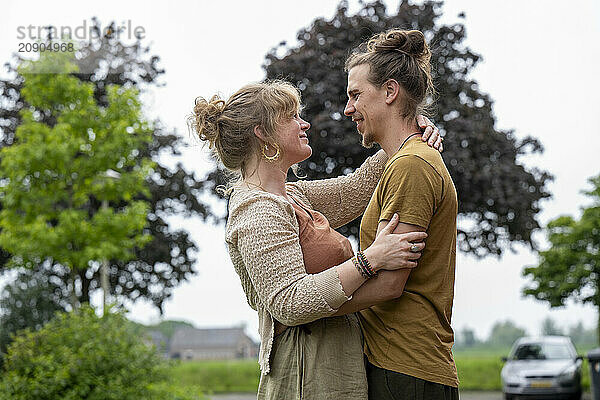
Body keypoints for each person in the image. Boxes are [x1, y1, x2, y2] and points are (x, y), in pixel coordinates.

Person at [188, 81, 442, 399]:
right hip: (305, 372)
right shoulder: (257, 211)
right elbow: (289, 303)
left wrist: (407, 132)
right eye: (291, 116)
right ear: (262, 133)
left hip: (330, 361)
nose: (304, 123)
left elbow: (357, 187)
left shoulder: (291, 195)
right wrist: (370, 259)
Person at [343, 29, 459, 399]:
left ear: (390, 92)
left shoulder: (411, 165)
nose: (348, 109)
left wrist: (308, 307)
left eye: (355, 94)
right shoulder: (404, 161)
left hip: (404, 368)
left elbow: (392, 283)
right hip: (401, 364)